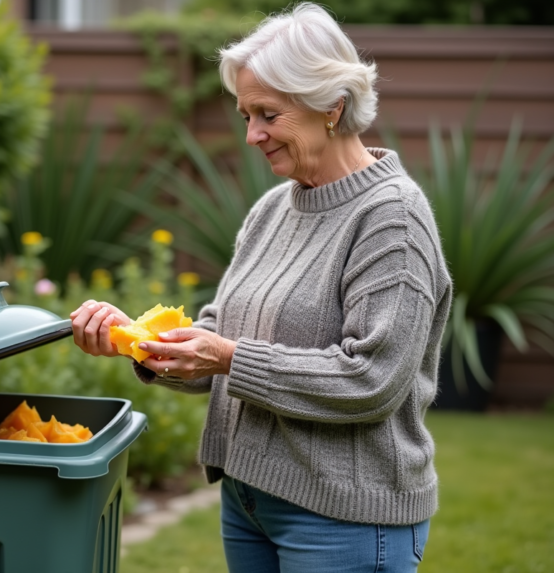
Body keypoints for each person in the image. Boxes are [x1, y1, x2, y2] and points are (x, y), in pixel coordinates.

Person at [70, 3, 452, 572]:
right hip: (249, 499)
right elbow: (221, 334)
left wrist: (225, 357)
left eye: (268, 114)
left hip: (342, 517)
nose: (252, 135)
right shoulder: (274, 208)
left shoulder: (392, 218)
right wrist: (138, 339)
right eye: (245, 115)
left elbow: (373, 380)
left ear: (331, 107)